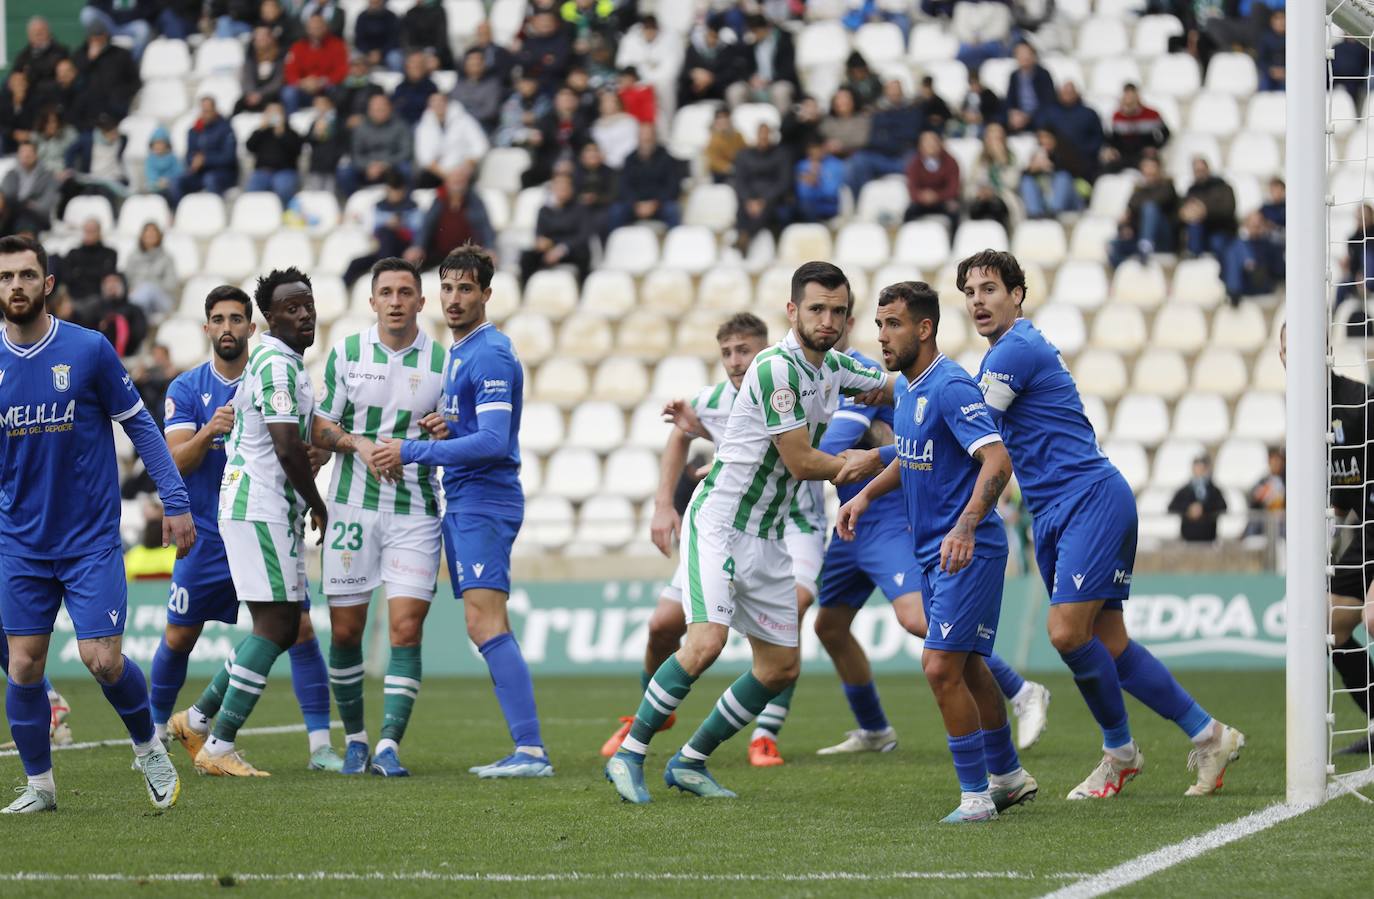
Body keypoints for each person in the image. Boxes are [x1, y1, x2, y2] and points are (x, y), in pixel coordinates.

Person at [604, 262, 889, 804]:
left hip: (770, 535)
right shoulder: (775, 368)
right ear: (792, 311)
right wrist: (873, 459)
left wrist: (949, 392)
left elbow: (895, 385)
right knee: (705, 642)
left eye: (837, 312)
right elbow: (802, 462)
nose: (827, 321)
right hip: (720, 524)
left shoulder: (835, 367)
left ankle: (690, 761)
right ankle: (630, 754)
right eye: (817, 309)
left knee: (779, 667)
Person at [964, 248, 1245, 798]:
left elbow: (967, 429)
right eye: (970, 293)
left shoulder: (1014, 350)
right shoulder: (1003, 354)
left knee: (1067, 632)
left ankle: (1120, 754)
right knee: (1109, 642)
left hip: (1087, 499)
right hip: (1057, 510)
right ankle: (1210, 736)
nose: (978, 301)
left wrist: (893, 447)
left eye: (990, 289)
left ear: (1017, 295)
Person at [0, 234, 191, 813]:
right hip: (19, 542)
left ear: (47, 284)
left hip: (89, 541)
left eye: (25, 275)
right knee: (23, 664)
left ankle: (148, 746)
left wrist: (175, 499)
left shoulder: (87, 350)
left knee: (103, 661)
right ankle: (40, 787)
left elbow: (140, 426)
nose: (15, 287)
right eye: (5, 277)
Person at [836, 280, 1035, 824]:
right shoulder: (909, 389)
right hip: (934, 551)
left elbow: (997, 461)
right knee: (967, 666)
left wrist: (966, 527)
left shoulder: (949, 386)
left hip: (965, 550)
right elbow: (911, 455)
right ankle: (1008, 777)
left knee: (939, 666)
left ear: (924, 329)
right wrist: (865, 496)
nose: (882, 335)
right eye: (879, 324)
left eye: (893, 324)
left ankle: (976, 797)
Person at [598, 313, 829, 768]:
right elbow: (679, 435)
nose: (735, 361)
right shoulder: (715, 400)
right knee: (662, 626)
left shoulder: (793, 388)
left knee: (793, 609)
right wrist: (663, 504)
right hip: (727, 526)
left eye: (744, 350)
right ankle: (654, 712)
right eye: (727, 352)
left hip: (792, 523)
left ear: (766, 350)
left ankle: (765, 733)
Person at [371, 244, 553, 779]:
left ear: (486, 294)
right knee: (487, 623)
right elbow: (478, 429)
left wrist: (411, 450)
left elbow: (495, 441)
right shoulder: (462, 351)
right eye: (447, 287)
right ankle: (527, 748)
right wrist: (449, 428)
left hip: (485, 499)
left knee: (484, 622)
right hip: (470, 498)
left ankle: (531, 751)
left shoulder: (488, 353)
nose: (454, 298)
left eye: (466, 288)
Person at [156, 286, 340, 773]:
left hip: (262, 511)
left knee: (289, 626)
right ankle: (186, 740)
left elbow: (302, 439)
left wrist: (331, 449)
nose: (227, 328)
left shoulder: (280, 366)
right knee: (198, 634)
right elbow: (281, 447)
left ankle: (202, 723)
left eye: (309, 307)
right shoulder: (251, 371)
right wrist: (318, 501)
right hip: (237, 517)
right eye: (292, 309)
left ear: (251, 325)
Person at [310, 258, 446, 777]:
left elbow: (457, 432)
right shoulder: (347, 353)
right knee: (346, 632)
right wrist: (359, 445)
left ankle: (389, 745)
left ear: (420, 301)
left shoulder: (442, 361)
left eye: (405, 292)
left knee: (406, 630)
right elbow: (319, 428)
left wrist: (443, 431)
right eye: (386, 292)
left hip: (416, 512)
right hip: (352, 508)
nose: (395, 301)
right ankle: (356, 740)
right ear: (372, 302)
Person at [1280, 324, 1374, 755]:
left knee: (1373, 618)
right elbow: (1338, 490)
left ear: (1325, 351)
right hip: (1366, 532)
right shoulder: (1302, 412)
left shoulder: (1359, 402)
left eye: (1301, 346)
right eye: (1287, 348)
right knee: (1327, 626)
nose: (1292, 355)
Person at [405, 165, 495, 271]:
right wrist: (418, 246)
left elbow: (485, 227)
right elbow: (426, 226)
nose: (457, 182)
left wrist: (490, 248)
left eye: (461, 179)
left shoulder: (475, 202)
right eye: (454, 178)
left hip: (468, 256)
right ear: (447, 181)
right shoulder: (439, 200)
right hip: (439, 254)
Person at [845, 79, 923, 198]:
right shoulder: (878, 112)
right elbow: (873, 139)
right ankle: (859, 201)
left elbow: (911, 135)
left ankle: (915, 201)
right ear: (885, 92)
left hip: (903, 156)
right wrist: (892, 136)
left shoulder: (912, 110)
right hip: (880, 156)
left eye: (897, 90)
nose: (894, 94)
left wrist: (887, 136)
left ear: (902, 92)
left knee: (916, 161)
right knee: (858, 161)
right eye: (891, 91)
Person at [520, 173, 591, 287]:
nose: (561, 189)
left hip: (571, 250)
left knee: (583, 254)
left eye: (565, 186)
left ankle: (582, 288)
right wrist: (541, 243)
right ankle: (527, 288)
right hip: (549, 249)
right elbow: (539, 234)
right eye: (558, 186)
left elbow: (583, 236)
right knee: (527, 256)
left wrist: (560, 250)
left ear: (571, 189)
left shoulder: (580, 209)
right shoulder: (544, 210)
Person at [608, 122, 682, 231]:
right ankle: (614, 241)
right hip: (635, 205)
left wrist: (655, 203)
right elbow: (624, 186)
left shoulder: (667, 158)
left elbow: (673, 186)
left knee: (672, 210)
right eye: (643, 137)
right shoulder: (629, 159)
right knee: (616, 211)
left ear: (655, 138)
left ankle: (676, 240)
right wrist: (635, 204)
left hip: (659, 204)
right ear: (638, 139)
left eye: (649, 138)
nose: (646, 140)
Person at [337, 93, 413, 197]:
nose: (379, 111)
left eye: (382, 108)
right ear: (369, 110)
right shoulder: (360, 127)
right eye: (376, 109)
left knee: (406, 169)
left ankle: (404, 200)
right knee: (344, 171)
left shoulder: (400, 125)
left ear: (390, 108)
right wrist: (368, 166)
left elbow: (406, 152)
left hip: (392, 166)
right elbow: (355, 154)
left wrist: (384, 164)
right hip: (367, 168)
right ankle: (354, 200)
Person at [1109, 157, 1179, 267]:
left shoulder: (1167, 187)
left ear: (1159, 169)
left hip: (1163, 239)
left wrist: (1134, 208)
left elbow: (1156, 202)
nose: (1148, 171)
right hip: (1139, 236)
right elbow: (1129, 214)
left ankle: (1145, 245)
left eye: (1151, 167)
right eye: (1145, 167)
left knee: (1150, 208)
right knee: (1113, 245)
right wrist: (1126, 227)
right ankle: (1126, 271)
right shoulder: (1138, 191)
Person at [732, 124, 791, 251]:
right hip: (749, 196)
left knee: (765, 209)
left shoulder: (781, 154)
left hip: (772, 197)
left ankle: (745, 237)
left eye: (766, 134)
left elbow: (784, 182)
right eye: (761, 134)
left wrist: (764, 200)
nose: (763, 137)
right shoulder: (744, 155)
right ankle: (742, 236)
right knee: (742, 207)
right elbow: (740, 181)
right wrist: (748, 200)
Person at [73, 17, 141, 124]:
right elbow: (75, 80)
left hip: (116, 110)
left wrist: (120, 94)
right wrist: (89, 60)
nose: (97, 41)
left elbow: (135, 82)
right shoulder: (80, 55)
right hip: (89, 112)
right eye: (93, 38)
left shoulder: (120, 54)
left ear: (105, 36)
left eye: (99, 37)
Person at [727, 14, 798, 112]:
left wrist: (769, 80)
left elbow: (788, 68)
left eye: (755, 31)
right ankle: (739, 121)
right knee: (735, 91)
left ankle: (784, 121)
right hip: (755, 85)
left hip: (777, 81)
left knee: (780, 91)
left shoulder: (784, 40)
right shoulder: (750, 45)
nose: (753, 34)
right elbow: (743, 67)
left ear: (765, 28)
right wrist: (750, 79)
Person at [282, 14, 348, 114]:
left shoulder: (337, 45)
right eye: (312, 27)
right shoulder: (298, 46)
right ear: (307, 29)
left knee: (339, 90)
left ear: (325, 27)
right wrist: (302, 83)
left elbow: (342, 70)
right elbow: (290, 71)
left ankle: (332, 119)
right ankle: (292, 120)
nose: (315, 30)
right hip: (304, 88)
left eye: (319, 27)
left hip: (327, 88)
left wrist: (322, 82)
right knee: (288, 92)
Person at [177, 97, 239, 202]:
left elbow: (229, 157)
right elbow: (188, 156)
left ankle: (215, 209)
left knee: (210, 179)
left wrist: (205, 160)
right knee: (177, 181)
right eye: (203, 111)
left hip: (223, 173)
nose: (205, 115)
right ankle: (179, 210)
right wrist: (193, 161)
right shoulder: (194, 130)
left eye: (208, 111)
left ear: (215, 110)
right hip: (199, 174)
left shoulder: (226, 129)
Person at [1018, 128, 1086, 219]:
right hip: (1044, 203)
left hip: (1071, 202)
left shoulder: (1065, 153)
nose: (1044, 141)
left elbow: (1077, 170)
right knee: (1027, 181)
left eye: (1047, 137)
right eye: (1041, 138)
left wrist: (1051, 165)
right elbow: (1020, 176)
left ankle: (1054, 213)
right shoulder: (1034, 157)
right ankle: (1035, 215)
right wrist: (1032, 169)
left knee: (1062, 177)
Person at [1102, 83, 1169, 174]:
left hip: (1144, 155)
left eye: (1132, 98)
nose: (1129, 101)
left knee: (1150, 167)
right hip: (1123, 155)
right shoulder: (1116, 116)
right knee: (1107, 167)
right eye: (1126, 98)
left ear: (1138, 98)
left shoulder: (1152, 114)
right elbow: (1111, 138)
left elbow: (1166, 133)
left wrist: (1155, 147)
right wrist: (1111, 149)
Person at [245, 101, 304, 205]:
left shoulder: (291, 132)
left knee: (283, 189)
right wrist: (261, 129)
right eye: (270, 112)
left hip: (285, 171)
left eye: (276, 112)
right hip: (262, 171)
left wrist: (282, 133)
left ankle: (285, 211)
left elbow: (297, 150)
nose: (273, 115)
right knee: (253, 190)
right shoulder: (261, 132)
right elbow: (249, 147)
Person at [1180, 156, 1237, 259]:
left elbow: (1228, 209)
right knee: (1193, 226)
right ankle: (1193, 259)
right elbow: (1186, 213)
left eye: (1202, 170)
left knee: (1217, 243)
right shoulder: (1191, 191)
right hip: (1201, 233)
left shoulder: (1223, 187)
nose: (1200, 173)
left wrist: (1204, 211)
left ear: (1208, 169)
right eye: (1197, 171)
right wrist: (1185, 214)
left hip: (1221, 230)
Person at [905, 130, 962, 231]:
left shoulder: (951, 162)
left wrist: (936, 196)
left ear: (940, 144)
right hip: (921, 202)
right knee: (909, 213)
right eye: (926, 143)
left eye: (933, 142)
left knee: (954, 212)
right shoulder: (914, 163)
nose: (930, 146)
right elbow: (912, 188)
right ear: (920, 146)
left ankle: (954, 240)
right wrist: (922, 196)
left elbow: (953, 188)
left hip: (943, 201)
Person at [1, 141, 59, 233]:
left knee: (23, 220)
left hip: (36, 215)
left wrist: (28, 205)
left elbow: (46, 204)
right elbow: (4, 197)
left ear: (36, 155)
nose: (26, 155)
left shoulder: (48, 176)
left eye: (29, 152)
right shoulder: (11, 174)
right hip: (12, 213)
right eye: (22, 152)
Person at [125, 222, 178, 323]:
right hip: (139, 297)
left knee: (147, 288)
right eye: (148, 233)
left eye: (153, 233)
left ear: (159, 237)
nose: (150, 236)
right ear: (142, 236)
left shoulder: (167, 258)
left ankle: (133, 315)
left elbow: (171, 284)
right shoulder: (133, 257)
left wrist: (150, 285)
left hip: (162, 300)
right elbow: (127, 280)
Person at [1168, 456, 1228, 543]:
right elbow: (1172, 507)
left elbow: (1223, 506)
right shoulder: (1184, 490)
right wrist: (1189, 509)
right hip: (1188, 537)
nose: (1198, 472)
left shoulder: (1214, 490)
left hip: (1208, 537)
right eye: (1196, 469)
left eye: (1201, 469)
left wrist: (1204, 509)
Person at [80, 1, 154, 63]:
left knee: (143, 29)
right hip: (110, 23)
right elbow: (93, 5)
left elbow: (149, 9)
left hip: (131, 25)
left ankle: (131, 64)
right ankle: (96, 46)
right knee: (88, 14)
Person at [451, 49, 504, 135]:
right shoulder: (458, 83)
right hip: (458, 125)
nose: (474, 64)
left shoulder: (492, 84)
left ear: (484, 64)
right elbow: (453, 105)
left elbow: (490, 111)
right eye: (471, 62)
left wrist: (466, 117)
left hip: (482, 126)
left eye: (478, 62)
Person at [1005, 41, 1054, 134]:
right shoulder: (1014, 76)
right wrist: (1013, 113)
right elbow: (1010, 99)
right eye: (1020, 54)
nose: (1023, 57)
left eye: (1026, 53)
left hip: (1037, 114)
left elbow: (1048, 101)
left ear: (1033, 56)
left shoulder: (1043, 74)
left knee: (1044, 119)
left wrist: (1027, 116)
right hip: (1019, 114)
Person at [237, 26, 286, 114]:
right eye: (258, 38)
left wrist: (260, 94)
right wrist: (251, 93)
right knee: (239, 104)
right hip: (252, 95)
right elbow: (247, 79)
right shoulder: (250, 59)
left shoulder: (280, 58)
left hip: (272, 95)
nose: (260, 41)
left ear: (271, 39)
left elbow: (278, 81)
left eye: (263, 37)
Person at [794, 139, 845, 223]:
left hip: (830, 208)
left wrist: (818, 181)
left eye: (818, 149)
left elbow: (832, 193)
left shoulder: (836, 165)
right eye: (812, 151)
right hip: (807, 208)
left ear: (823, 149)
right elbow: (802, 194)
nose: (815, 153)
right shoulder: (801, 166)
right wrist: (810, 182)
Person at [11, 17, 69, 90]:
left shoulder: (61, 52)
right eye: (34, 31)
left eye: (41, 30)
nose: (38, 34)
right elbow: (14, 76)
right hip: (29, 94)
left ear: (48, 32)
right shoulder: (23, 56)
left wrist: (30, 72)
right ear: (29, 35)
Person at [392, 51, 438, 126]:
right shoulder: (400, 88)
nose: (416, 66)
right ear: (407, 67)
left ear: (424, 67)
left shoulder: (432, 88)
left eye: (419, 63)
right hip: (402, 126)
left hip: (425, 126)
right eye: (413, 63)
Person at [704, 107, 745, 184]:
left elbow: (745, 151)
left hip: (737, 169)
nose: (723, 120)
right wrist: (728, 168)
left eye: (725, 117)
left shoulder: (738, 136)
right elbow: (713, 161)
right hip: (720, 174)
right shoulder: (713, 139)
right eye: (720, 118)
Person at [144, 127, 183, 205]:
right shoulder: (150, 160)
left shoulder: (173, 158)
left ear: (167, 144)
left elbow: (179, 172)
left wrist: (168, 180)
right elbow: (150, 174)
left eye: (161, 143)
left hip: (170, 188)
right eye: (156, 143)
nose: (158, 146)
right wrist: (157, 183)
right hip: (155, 188)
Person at [1257, 9, 1285, 92]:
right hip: (1269, 75)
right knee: (1264, 86)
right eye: (1277, 19)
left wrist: (1285, 71)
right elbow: (1261, 60)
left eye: (1282, 18)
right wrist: (1271, 70)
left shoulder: (1293, 39)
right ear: (1272, 21)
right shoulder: (1265, 38)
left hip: (1287, 75)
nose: (1280, 22)